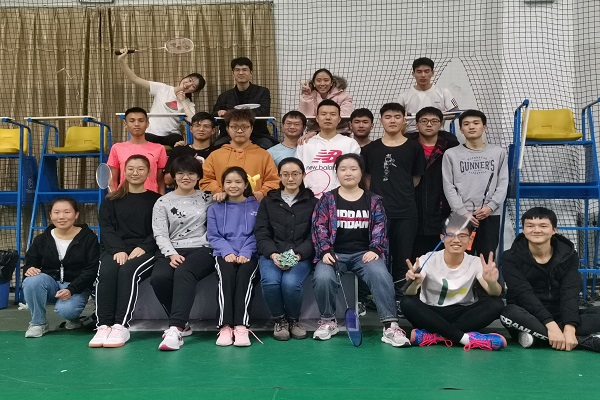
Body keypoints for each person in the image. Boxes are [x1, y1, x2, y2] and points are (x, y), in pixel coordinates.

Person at [311, 153, 410, 347]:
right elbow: (318, 227)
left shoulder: (373, 200)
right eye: (343, 169)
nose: (348, 173)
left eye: (353, 169)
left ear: (361, 172)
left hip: (364, 254)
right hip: (334, 254)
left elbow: (380, 226)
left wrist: (375, 249)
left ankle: (390, 325)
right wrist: (325, 251)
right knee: (323, 277)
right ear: (337, 173)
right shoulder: (327, 199)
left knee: (381, 274)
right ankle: (328, 321)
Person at [500, 207, 600, 352]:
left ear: (554, 230)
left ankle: (540, 337)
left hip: (561, 315)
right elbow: (523, 293)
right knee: (508, 313)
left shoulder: (569, 255)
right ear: (523, 230)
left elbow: (570, 292)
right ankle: (583, 341)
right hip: (529, 315)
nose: (536, 230)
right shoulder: (510, 257)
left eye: (543, 226)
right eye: (530, 226)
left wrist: (570, 327)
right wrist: (550, 324)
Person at [401, 215, 507, 351]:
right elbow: (409, 292)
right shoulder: (427, 259)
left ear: (470, 239)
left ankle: (436, 335)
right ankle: (465, 338)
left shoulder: (475, 262)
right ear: (442, 238)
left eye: (462, 236)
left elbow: (495, 292)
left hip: (463, 313)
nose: (456, 240)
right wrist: (415, 284)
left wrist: (492, 282)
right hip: (432, 312)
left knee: (496, 304)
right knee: (407, 302)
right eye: (450, 235)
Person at [90, 155, 161, 348]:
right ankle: (103, 325)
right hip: (115, 250)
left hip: (144, 250)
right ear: (124, 171)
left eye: (140, 169)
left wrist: (144, 247)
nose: (135, 172)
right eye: (130, 168)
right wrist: (118, 249)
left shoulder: (157, 200)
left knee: (129, 271)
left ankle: (120, 326)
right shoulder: (110, 200)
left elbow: (159, 229)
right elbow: (106, 228)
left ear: (149, 172)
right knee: (107, 272)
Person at [150, 156, 214, 351]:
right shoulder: (163, 202)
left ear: (198, 176)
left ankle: (175, 329)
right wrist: (171, 254)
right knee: (159, 278)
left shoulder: (209, 198)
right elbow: (160, 233)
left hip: (203, 248)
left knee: (184, 272)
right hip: (172, 249)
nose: (186, 177)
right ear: (174, 176)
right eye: (180, 173)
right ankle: (183, 323)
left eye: (191, 173)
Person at [361, 103, 425, 300]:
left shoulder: (414, 147)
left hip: (406, 211)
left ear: (404, 120)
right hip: (378, 213)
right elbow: (367, 178)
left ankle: (400, 299)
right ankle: (374, 297)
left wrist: (400, 192)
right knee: (375, 256)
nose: (392, 121)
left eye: (397, 117)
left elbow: (415, 178)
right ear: (381, 120)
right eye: (388, 117)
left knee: (403, 258)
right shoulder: (370, 149)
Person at [254, 158, 317, 341]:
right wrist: (272, 253)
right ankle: (280, 320)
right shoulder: (269, 201)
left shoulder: (313, 202)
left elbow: (315, 235)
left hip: (300, 255)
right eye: (286, 174)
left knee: (290, 283)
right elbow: (261, 231)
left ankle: (293, 320)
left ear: (303, 175)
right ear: (279, 176)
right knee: (270, 282)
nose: (290, 178)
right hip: (272, 253)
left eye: (295, 174)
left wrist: (298, 255)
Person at [23, 197, 99, 338]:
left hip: (76, 286)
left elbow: (92, 269)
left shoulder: (89, 238)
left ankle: (73, 319)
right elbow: (30, 262)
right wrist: (30, 268)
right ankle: (38, 323)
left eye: (67, 212)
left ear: (76, 215)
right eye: (56, 212)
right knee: (32, 280)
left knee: (67, 310)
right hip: (50, 285)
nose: (61, 217)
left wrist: (71, 289)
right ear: (51, 215)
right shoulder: (41, 239)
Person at [442, 109, 508, 257]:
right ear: (461, 129)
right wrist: (462, 212)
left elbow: (503, 182)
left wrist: (491, 206)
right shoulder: (451, 154)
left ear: (484, 127)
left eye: (476, 123)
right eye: (466, 124)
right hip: (461, 216)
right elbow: (448, 186)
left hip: (490, 214)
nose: (471, 127)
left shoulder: (499, 152)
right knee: (461, 259)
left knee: (487, 258)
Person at [207, 167, 261, 347]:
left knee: (245, 277)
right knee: (226, 277)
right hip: (224, 254)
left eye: (238, 182)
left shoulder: (257, 206)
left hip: (250, 253)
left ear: (246, 184)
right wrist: (227, 252)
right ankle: (225, 327)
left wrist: (246, 252)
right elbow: (213, 236)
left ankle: (241, 326)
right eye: (228, 182)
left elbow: (258, 233)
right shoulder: (214, 208)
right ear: (222, 185)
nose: (233, 185)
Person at [117, 51, 205, 147]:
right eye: (190, 80)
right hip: (151, 133)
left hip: (172, 135)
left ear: (194, 91)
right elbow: (135, 79)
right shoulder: (162, 88)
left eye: (193, 86)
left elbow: (193, 121)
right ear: (185, 77)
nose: (188, 84)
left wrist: (183, 101)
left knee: (179, 144)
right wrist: (121, 61)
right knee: (143, 145)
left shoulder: (188, 103)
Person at [407, 106, 459, 259]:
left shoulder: (451, 148)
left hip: (442, 211)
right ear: (417, 125)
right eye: (424, 121)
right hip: (412, 212)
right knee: (415, 260)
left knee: (442, 259)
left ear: (441, 124)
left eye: (434, 121)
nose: (429, 124)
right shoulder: (407, 146)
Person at [200, 109, 280, 202]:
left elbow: (273, 181)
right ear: (227, 129)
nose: (239, 131)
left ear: (251, 128)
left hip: (255, 206)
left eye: (244, 127)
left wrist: (262, 192)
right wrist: (219, 191)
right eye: (234, 127)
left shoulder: (263, 155)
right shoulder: (215, 155)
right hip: (223, 205)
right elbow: (206, 180)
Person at [295, 99, 361, 198]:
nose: (328, 118)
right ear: (317, 118)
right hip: (309, 199)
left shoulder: (350, 144)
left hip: (341, 198)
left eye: (333, 114)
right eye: (323, 114)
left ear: (339, 119)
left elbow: (355, 174)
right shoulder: (305, 144)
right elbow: (297, 171)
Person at [213, 57, 276, 149]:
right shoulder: (224, 96)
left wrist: (230, 113)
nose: (241, 73)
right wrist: (219, 112)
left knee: (268, 146)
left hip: (258, 134)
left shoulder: (262, 92)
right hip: (229, 135)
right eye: (237, 70)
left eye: (244, 70)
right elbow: (213, 115)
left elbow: (264, 111)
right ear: (233, 73)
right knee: (217, 147)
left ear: (251, 73)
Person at [107, 107, 167, 195]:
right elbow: (112, 180)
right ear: (126, 124)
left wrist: (161, 200)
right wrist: (114, 198)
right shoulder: (117, 148)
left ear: (147, 124)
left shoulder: (159, 148)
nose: (136, 124)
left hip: (150, 198)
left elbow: (161, 181)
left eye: (141, 120)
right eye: (132, 121)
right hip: (124, 197)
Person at [397, 57, 459, 133]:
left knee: (452, 140)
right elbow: (396, 116)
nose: (423, 75)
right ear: (413, 74)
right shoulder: (403, 96)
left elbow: (456, 112)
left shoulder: (443, 92)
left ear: (432, 73)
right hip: (412, 133)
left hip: (438, 132)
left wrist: (436, 117)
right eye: (419, 72)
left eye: (426, 71)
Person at [164, 111, 219, 186]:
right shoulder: (179, 150)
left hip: (210, 192)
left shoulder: (218, 152)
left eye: (206, 126)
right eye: (197, 125)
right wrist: (188, 166)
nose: (201, 129)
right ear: (191, 128)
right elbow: (167, 180)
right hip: (184, 192)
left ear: (213, 131)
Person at [299, 68, 353, 136]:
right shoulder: (309, 95)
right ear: (314, 83)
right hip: (313, 134)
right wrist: (307, 95)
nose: (322, 84)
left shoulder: (345, 96)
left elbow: (345, 116)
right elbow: (305, 116)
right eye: (318, 80)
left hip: (341, 133)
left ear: (331, 83)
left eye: (326, 80)